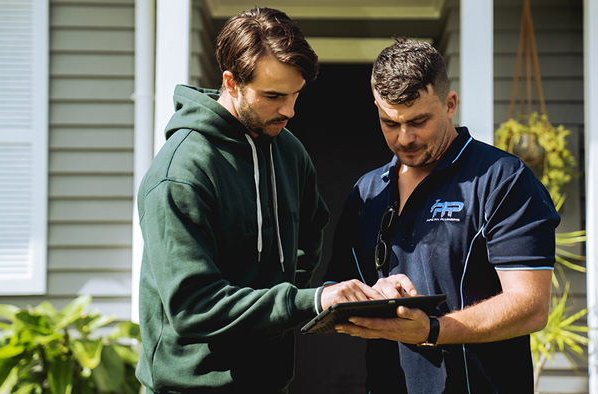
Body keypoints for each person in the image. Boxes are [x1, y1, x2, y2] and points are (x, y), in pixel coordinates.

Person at [135, 7, 391, 393]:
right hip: (190, 386)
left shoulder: (288, 151)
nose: (289, 110)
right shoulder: (181, 173)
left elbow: (311, 230)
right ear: (231, 82)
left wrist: (294, 295)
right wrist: (304, 301)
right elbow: (192, 306)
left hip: (271, 382)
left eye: (295, 95)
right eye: (273, 96)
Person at [323, 38, 561, 393]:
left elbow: (531, 306)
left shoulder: (502, 179)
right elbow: (336, 287)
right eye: (390, 123)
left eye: (419, 121)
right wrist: (374, 294)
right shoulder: (367, 191)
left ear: (450, 105)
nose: (405, 138)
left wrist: (433, 330)